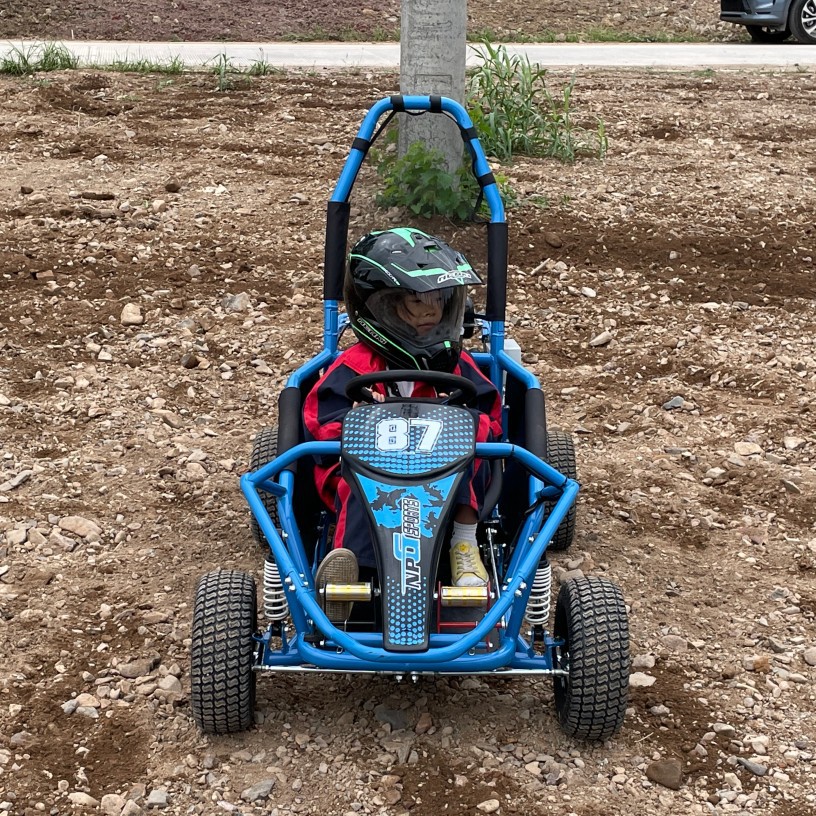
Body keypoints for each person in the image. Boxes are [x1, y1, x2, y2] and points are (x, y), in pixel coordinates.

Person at [303, 228, 502, 621]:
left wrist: (460, 420)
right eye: (417, 301)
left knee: (473, 450)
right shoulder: (353, 367)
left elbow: (491, 417)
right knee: (356, 482)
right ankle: (347, 580)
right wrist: (361, 418)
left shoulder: (458, 367)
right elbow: (319, 419)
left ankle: (464, 546)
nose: (431, 312)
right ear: (383, 307)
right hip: (371, 479)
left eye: (441, 302)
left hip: (443, 479)